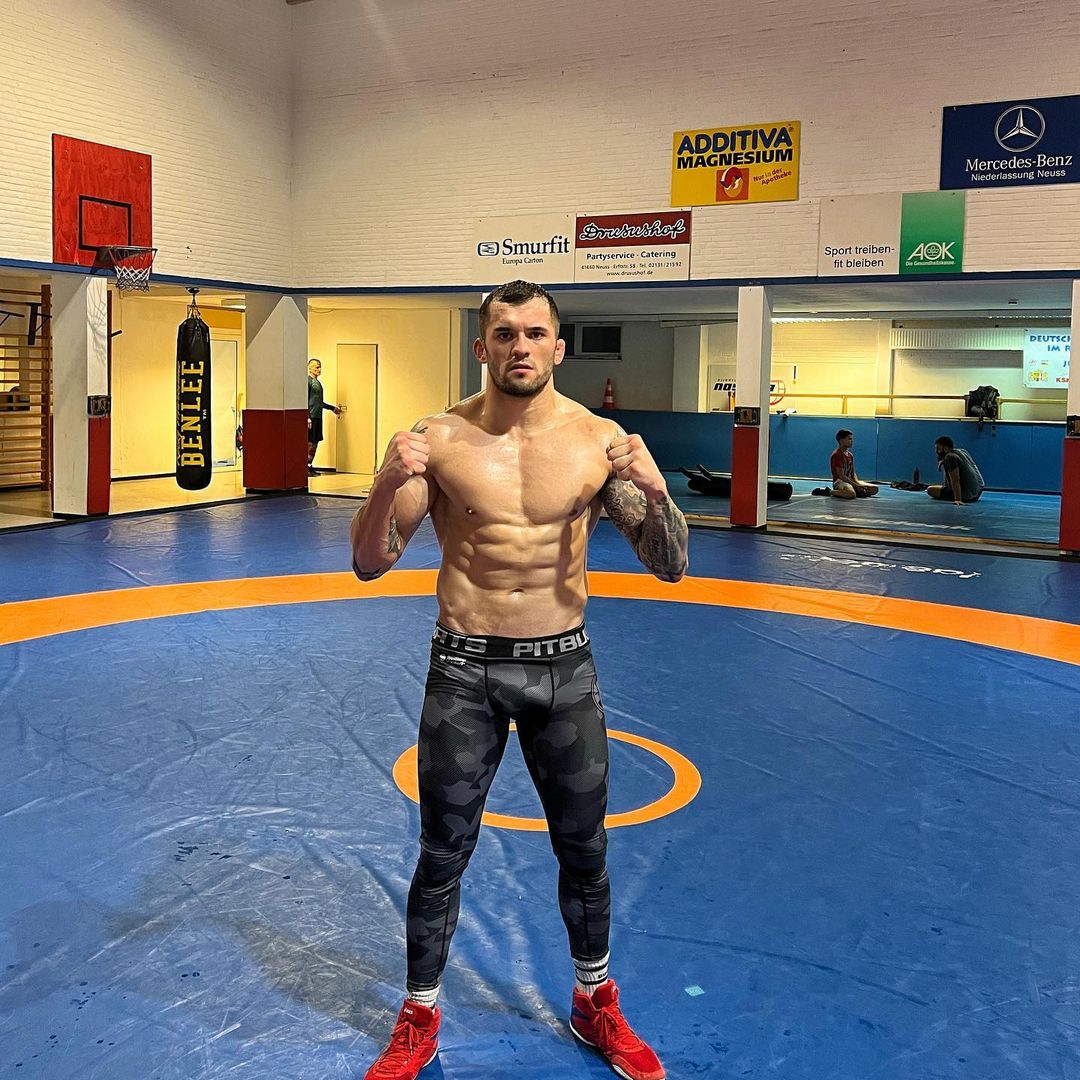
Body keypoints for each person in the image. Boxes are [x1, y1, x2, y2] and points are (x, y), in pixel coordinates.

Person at [350, 280, 688, 1080]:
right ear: (483, 346)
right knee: (442, 852)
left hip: (562, 666)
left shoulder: (598, 442)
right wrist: (385, 480)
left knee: (585, 848)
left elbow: (670, 565)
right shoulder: (437, 439)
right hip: (464, 668)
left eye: (536, 332)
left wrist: (658, 489)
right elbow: (369, 561)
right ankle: (419, 1012)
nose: (521, 346)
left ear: (558, 347)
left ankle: (594, 1001)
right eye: (505, 333)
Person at [307, 358, 343, 476]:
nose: (319, 369)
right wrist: (307, 417)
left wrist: (332, 408)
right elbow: (304, 400)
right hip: (312, 417)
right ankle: (305, 467)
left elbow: (319, 402)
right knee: (310, 442)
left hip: (318, 416)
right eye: (316, 367)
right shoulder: (308, 382)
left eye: (320, 367)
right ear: (310, 368)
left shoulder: (317, 383)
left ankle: (309, 465)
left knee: (315, 442)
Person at [926, 435, 984, 504]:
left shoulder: (950, 457)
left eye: (938, 448)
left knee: (930, 489)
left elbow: (955, 480)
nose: (936, 451)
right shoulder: (962, 451)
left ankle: (958, 496)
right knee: (940, 486)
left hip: (966, 495)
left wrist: (958, 499)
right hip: (978, 491)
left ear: (945, 448)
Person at [829, 429, 878, 499]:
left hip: (850, 481)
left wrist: (857, 483)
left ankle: (851, 491)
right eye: (849, 439)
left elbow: (853, 473)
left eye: (852, 439)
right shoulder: (837, 455)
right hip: (840, 482)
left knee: (874, 489)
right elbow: (841, 476)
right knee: (851, 494)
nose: (852, 441)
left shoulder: (850, 455)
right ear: (841, 440)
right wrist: (856, 485)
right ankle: (829, 491)